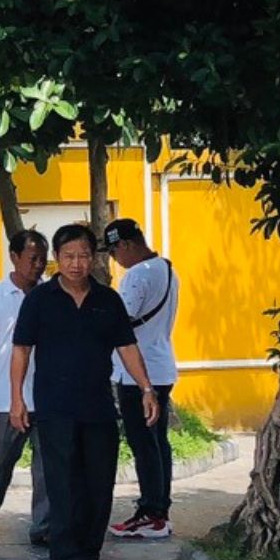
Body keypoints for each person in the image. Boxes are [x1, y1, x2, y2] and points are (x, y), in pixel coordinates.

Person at [10, 223, 162, 560]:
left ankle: (89, 555)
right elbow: (21, 350)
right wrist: (17, 398)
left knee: (98, 484)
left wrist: (146, 388)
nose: (76, 264)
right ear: (56, 260)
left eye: (82, 256)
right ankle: (66, 558)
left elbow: (127, 347)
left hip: (97, 407)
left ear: (93, 258)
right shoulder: (40, 300)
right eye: (68, 257)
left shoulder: (108, 300)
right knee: (63, 485)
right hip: (54, 408)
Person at [102, 219, 180, 541]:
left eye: (114, 251)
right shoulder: (167, 268)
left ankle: (151, 514)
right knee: (157, 442)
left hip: (138, 374)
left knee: (143, 444)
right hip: (161, 366)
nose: (114, 259)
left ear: (126, 245)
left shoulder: (136, 276)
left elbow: (120, 321)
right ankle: (160, 509)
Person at [0, 230, 52, 540]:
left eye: (43, 259)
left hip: (45, 392)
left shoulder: (51, 294)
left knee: (47, 464)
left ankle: (44, 526)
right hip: (7, 392)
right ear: (14, 257)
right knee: (1, 456)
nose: (38, 265)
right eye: (32, 259)